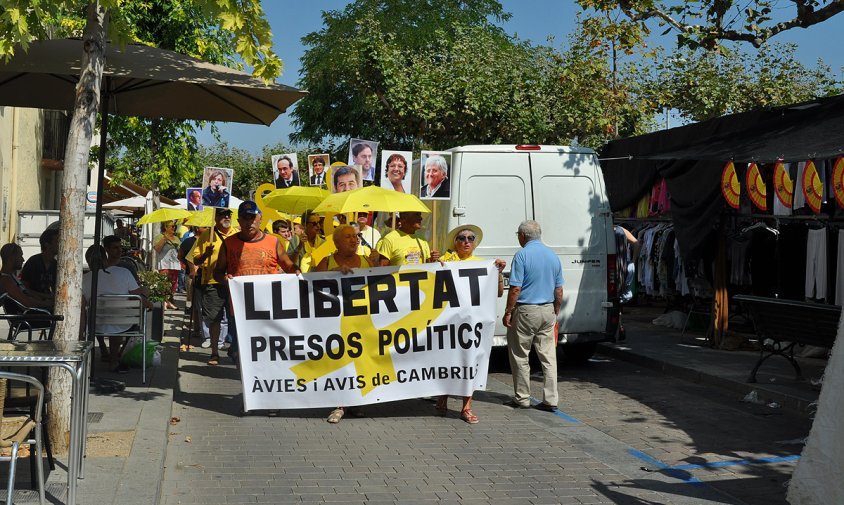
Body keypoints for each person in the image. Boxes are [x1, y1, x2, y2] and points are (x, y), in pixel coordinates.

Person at [435, 224, 506, 424]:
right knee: (448, 361)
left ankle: (466, 407)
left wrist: (498, 273)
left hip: (472, 325)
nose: (466, 241)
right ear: (455, 243)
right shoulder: (447, 261)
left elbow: (498, 293)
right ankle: (443, 397)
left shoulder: (482, 264)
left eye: (470, 238)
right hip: (449, 322)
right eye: (462, 238)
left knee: (470, 362)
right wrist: (432, 264)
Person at [214, 201, 299, 362]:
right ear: (238, 221)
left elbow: (287, 265)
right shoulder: (229, 244)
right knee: (241, 352)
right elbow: (217, 272)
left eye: (252, 217)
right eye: (245, 218)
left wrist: (296, 271)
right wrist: (225, 279)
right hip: (240, 309)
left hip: (270, 309)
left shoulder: (273, 242)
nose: (249, 222)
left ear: (260, 219)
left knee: (269, 351)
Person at [502, 220, 563, 412]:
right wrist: (555, 311)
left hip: (526, 310)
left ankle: (522, 398)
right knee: (548, 357)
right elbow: (559, 290)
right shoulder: (553, 256)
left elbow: (515, 288)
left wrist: (508, 311)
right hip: (547, 309)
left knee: (520, 355)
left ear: (522, 235)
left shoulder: (522, 255)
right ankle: (551, 399)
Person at [314, 225, 372, 423]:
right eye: (348, 237)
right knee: (341, 362)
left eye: (356, 237)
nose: (354, 240)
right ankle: (340, 405)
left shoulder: (366, 262)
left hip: (360, 323)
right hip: (335, 324)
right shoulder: (326, 261)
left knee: (359, 362)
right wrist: (332, 273)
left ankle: (356, 402)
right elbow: (312, 288)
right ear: (336, 242)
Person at [82, 244, 152, 374]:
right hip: (123, 324)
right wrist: (146, 299)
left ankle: (103, 349)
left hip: (94, 326)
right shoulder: (123, 272)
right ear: (105, 257)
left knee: (105, 315)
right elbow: (137, 297)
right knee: (119, 316)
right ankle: (114, 359)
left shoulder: (85, 279)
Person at [186, 208, 237, 364]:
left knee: (235, 318)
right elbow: (195, 260)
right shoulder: (206, 236)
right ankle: (214, 352)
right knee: (214, 318)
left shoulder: (237, 234)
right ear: (216, 218)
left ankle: (234, 347)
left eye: (229, 214)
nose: (226, 217)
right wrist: (206, 254)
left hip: (234, 282)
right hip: (212, 282)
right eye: (222, 214)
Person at [0, 243, 53, 312]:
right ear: (12, 258)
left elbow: (28, 292)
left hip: (33, 315)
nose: (23, 259)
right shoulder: (6, 280)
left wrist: (47, 298)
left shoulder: (12, 277)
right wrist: (47, 303)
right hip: (29, 318)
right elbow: (27, 303)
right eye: (20, 256)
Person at [375, 211, 439, 266]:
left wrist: (432, 259)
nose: (421, 218)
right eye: (417, 215)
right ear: (404, 218)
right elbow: (383, 269)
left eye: (420, 215)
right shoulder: (390, 239)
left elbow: (427, 265)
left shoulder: (422, 238)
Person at [20, 228, 59, 296]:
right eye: (57, 241)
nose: (60, 244)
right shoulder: (33, 262)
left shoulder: (56, 265)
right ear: (47, 244)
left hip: (49, 304)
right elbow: (24, 288)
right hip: (33, 304)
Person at [153, 221, 181, 310]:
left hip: (175, 264)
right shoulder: (159, 237)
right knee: (164, 284)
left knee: (173, 284)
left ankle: (168, 301)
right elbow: (157, 249)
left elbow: (180, 251)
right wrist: (164, 239)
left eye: (174, 226)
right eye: (172, 226)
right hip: (164, 264)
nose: (174, 228)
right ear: (165, 227)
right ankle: (165, 302)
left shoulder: (176, 238)